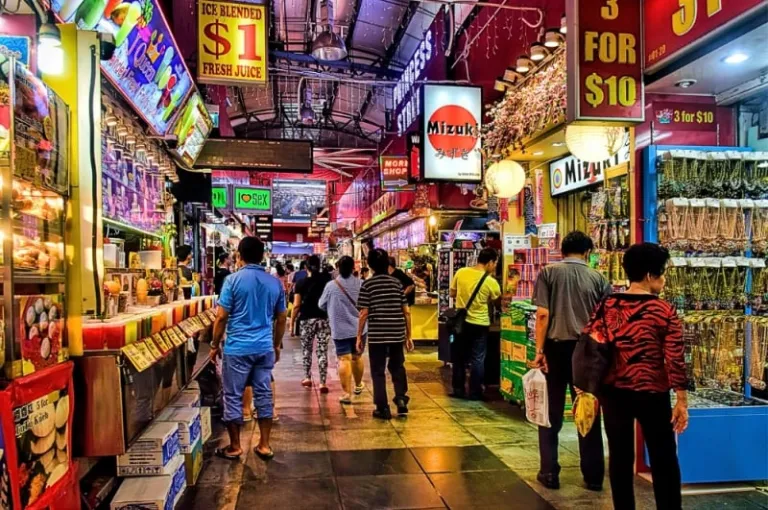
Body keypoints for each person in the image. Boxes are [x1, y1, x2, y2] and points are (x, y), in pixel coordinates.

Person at [577, 243, 688, 510]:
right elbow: (674, 358)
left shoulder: (608, 305)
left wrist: (584, 386)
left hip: (614, 392)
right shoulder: (664, 311)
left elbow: (591, 345)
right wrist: (682, 400)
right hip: (653, 392)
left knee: (619, 456)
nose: (663, 278)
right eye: (662, 273)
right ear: (650, 275)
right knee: (664, 457)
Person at [532, 231, 610, 491]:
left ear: (562, 250)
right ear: (587, 252)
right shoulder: (598, 278)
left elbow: (542, 315)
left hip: (555, 350)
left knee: (551, 413)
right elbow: (606, 320)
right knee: (587, 410)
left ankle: (550, 472)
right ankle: (594, 476)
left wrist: (539, 350)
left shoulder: (548, 273)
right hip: (588, 352)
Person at [210, 237, 287, 461]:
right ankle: (264, 444)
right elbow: (281, 318)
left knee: (233, 395)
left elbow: (222, 317)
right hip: (264, 348)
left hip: (237, 348)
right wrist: (276, 344)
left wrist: (214, 345)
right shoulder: (275, 283)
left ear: (239, 255)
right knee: (263, 394)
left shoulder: (232, 281)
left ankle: (234, 447)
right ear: (262, 256)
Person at [357, 248, 413, 419]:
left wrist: (359, 335)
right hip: (396, 332)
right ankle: (401, 398)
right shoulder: (396, 283)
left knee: (378, 371)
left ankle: (383, 408)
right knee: (397, 367)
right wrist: (409, 335)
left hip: (377, 335)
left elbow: (364, 313)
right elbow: (407, 311)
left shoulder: (367, 284)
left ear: (370, 265)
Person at [449, 247, 502, 400]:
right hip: (479, 324)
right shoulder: (491, 282)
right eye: (495, 263)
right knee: (477, 359)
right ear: (490, 262)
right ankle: (475, 392)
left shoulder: (461, 272)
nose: (494, 266)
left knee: (458, 357)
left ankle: (458, 390)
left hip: (460, 324)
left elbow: (452, 293)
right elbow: (496, 300)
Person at [319, 255, 366, 404]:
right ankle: (358, 385)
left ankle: (346, 394)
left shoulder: (331, 286)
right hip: (360, 328)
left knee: (343, 359)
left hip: (339, 328)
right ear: (354, 268)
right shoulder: (361, 284)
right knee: (357, 357)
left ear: (338, 268)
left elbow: (321, 304)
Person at [292, 255, 332, 392]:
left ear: (305, 267)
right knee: (322, 350)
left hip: (306, 319)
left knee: (306, 350)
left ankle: (307, 377)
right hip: (323, 319)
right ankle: (322, 382)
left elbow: (296, 305)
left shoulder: (301, 283)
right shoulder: (327, 280)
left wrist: (292, 323)